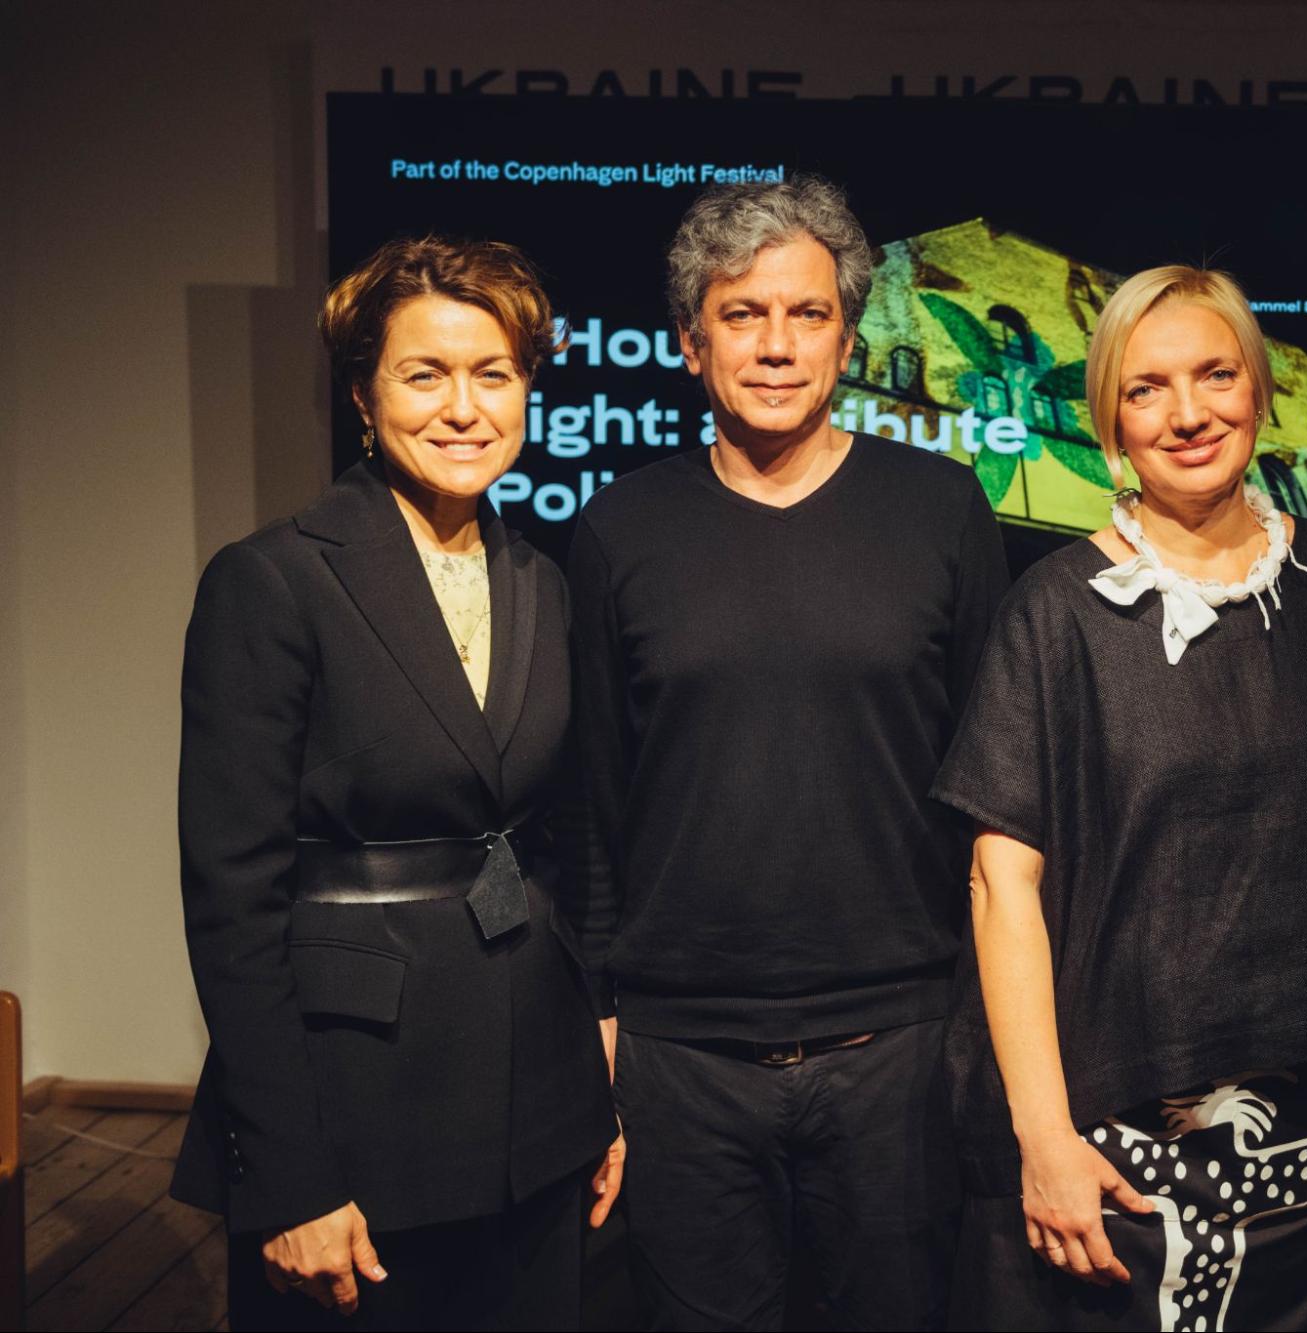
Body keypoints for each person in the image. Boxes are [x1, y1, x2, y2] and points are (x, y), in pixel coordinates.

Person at [564, 175, 1009, 1331]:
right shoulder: (615, 531)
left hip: (898, 1050)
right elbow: (594, 810)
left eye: (807, 314)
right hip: (680, 1060)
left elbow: (996, 797)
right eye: (743, 314)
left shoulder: (942, 510)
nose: (776, 345)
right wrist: (602, 1038)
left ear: (847, 338)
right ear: (690, 342)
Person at [934, 266, 1307, 1332]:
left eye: (1214, 375)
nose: (1187, 414)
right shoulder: (1057, 611)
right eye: (1146, 389)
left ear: (1261, 390)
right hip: (1114, 1161)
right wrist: (1045, 1139)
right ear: (1108, 420)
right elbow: (1001, 889)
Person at [171, 236, 622, 1329]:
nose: (464, 408)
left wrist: (596, 1089)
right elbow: (232, 903)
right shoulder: (271, 580)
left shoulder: (544, 580)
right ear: (363, 397)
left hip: (540, 1111)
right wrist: (290, 1176)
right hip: (356, 1109)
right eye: (426, 374)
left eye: (494, 374)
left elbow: (568, 845)